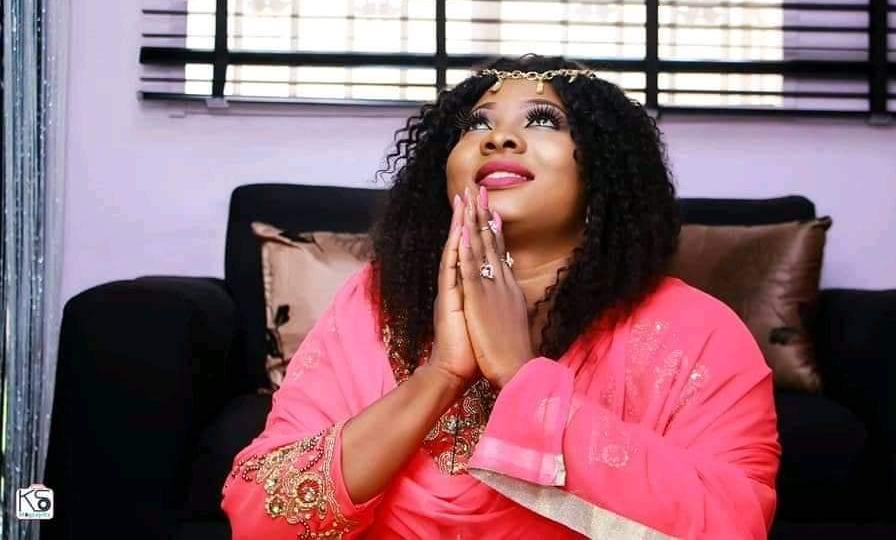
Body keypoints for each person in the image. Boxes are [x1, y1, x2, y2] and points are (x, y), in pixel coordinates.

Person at [221, 55, 780, 539]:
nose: (498, 139)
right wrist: (440, 375)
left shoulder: (694, 329)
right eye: (477, 123)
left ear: (603, 170)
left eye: (543, 120)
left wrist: (520, 377)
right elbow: (259, 515)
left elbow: (732, 524)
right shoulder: (374, 302)